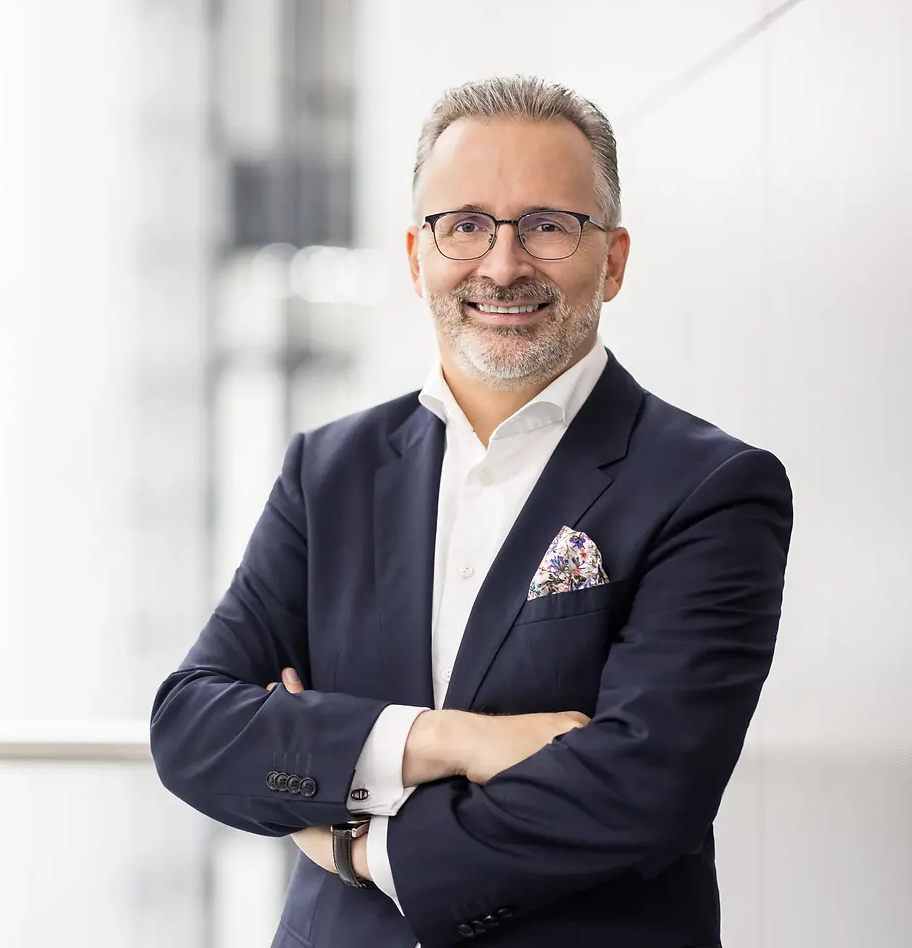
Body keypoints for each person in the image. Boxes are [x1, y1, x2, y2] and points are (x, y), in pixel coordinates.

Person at [150, 74, 793, 948]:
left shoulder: (711, 486)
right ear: (416, 257)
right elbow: (193, 728)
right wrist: (449, 742)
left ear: (611, 260)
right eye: (464, 225)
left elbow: (645, 787)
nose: (501, 264)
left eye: (547, 225)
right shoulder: (328, 470)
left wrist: (356, 846)